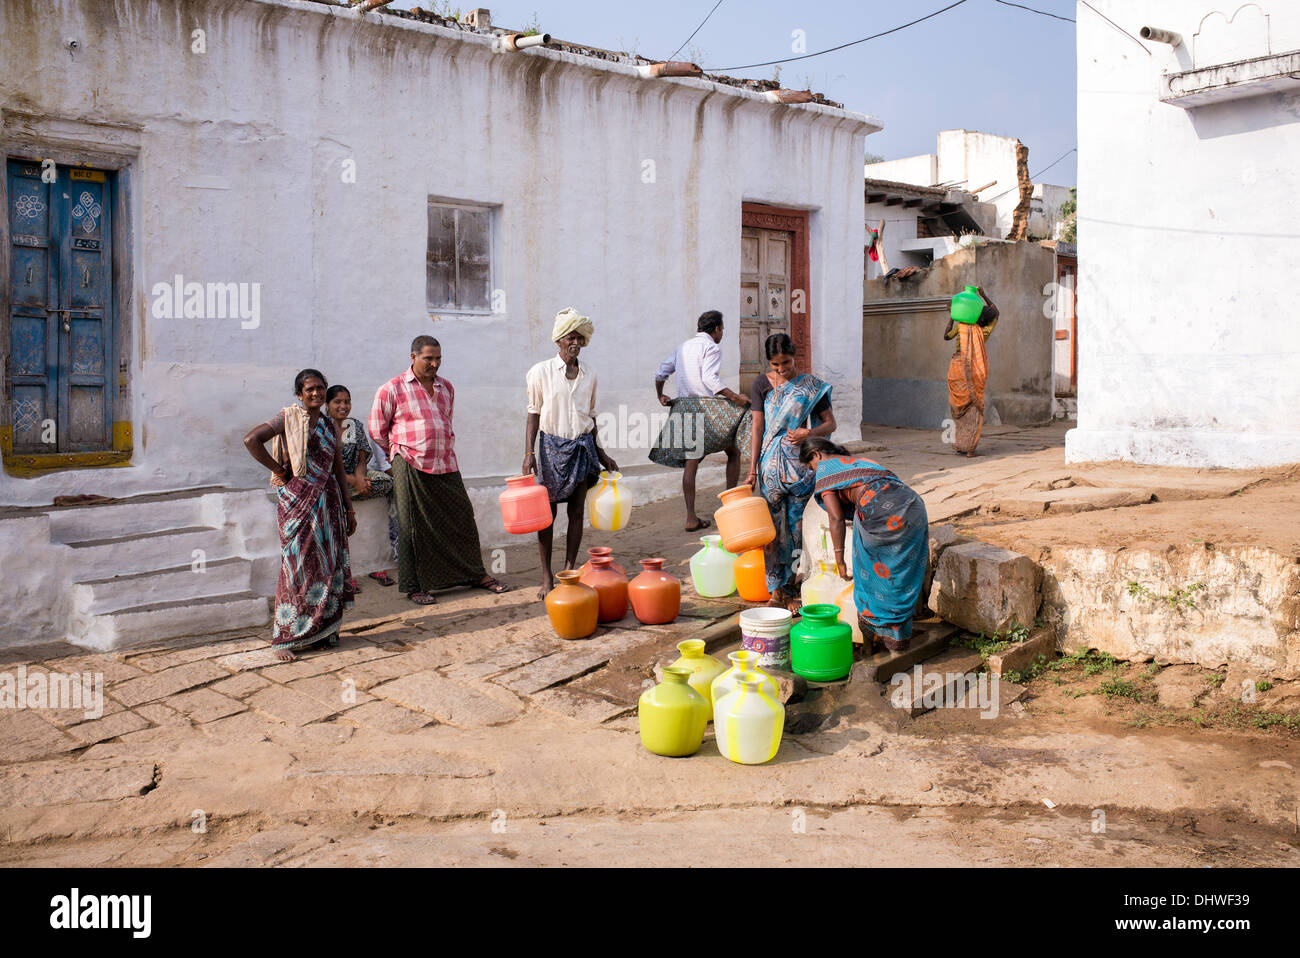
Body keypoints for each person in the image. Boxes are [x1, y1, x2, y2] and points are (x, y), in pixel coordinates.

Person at [369, 335, 509, 605]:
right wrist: (399, 451)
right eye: (428, 358)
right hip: (408, 462)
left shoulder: (446, 388)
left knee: (462, 518)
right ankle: (415, 585)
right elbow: (377, 429)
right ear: (413, 357)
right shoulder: (392, 388)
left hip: (445, 461)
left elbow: (445, 421)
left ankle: (474, 574)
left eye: (438, 358)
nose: (434, 364)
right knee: (412, 525)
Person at [242, 368, 356, 662]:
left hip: (328, 503)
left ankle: (324, 629)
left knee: (328, 566)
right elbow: (251, 440)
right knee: (296, 567)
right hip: (298, 503)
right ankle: (285, 637)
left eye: (320, 388)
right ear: (299, 393)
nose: (316, 393)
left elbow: (338, 468)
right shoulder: (288, 417)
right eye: (310, 390)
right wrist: (278, 470)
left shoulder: (331, 425)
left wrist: (348, 506)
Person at [800, 437, 929, 653]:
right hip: (914, 506)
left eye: (810, 466)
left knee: (868, 573)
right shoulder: (858, 462)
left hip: (881, 512)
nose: (813, 471)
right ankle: (899, 639)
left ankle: (873, 646)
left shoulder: (825, 470)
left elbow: (836, 518)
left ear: (816, 454)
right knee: (901, 572)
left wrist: (840, 561)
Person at [524, 307, 619, 599]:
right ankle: (545, 577)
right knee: (546, 515)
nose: (574, 342)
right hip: (551, 448)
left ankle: (569, 569)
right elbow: (533, 414)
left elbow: (590, 416)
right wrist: (529, 452)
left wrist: (601, 453)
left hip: (582, 448)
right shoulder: (540, 372)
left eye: (579, 338)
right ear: (558, 341)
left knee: (576, 512)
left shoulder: (589, 374)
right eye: (569, 337)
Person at [744, 333, 837, 613]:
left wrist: (810, 432)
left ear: (794, 356)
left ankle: (795, 588)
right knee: (770, 533)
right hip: (769, 471)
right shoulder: (761, 384)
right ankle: (775, 590)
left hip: (800, 470)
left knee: (797, 532)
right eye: (775, 365)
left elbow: (830, 424)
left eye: (785, 363)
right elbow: (758, 428)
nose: (781, 369)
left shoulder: (810, 387)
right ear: (768, 362)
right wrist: (751, 470)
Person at [648, 310, 751, 531]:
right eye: (722, 329)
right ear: (715, 329)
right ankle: (730, 504)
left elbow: (660, 373)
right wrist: (735, 397)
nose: (722, 333)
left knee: (691, 463)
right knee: (733, 451)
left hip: (684, 408)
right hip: (706, 408)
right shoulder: (712, 347)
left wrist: (660, 394)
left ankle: (690, 517)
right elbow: (709, 379)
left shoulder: (683, 347)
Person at [325, 384, 398, 590]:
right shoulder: (322, 427)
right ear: (327, 404)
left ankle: (354, 491)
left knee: (385, 482)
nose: (343, 406)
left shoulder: (352, 425)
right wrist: (351, 481)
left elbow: (361, 457)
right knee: (329, 490)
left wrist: (360, 478)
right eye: (337, 402)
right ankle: (341, 574)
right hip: (330, 480)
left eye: (346, 401)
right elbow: (326, 466)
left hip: (353, 480)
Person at [943, 285, 999, 457]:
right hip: (975, 368)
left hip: (957, 365)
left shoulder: (962, 327)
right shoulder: (985, 330)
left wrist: (951, 317)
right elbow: (996, 312)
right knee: (973, 407)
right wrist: (984, 295)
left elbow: (946, 336)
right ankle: (968, 447)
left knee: (961, 407)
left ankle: (965, 445)